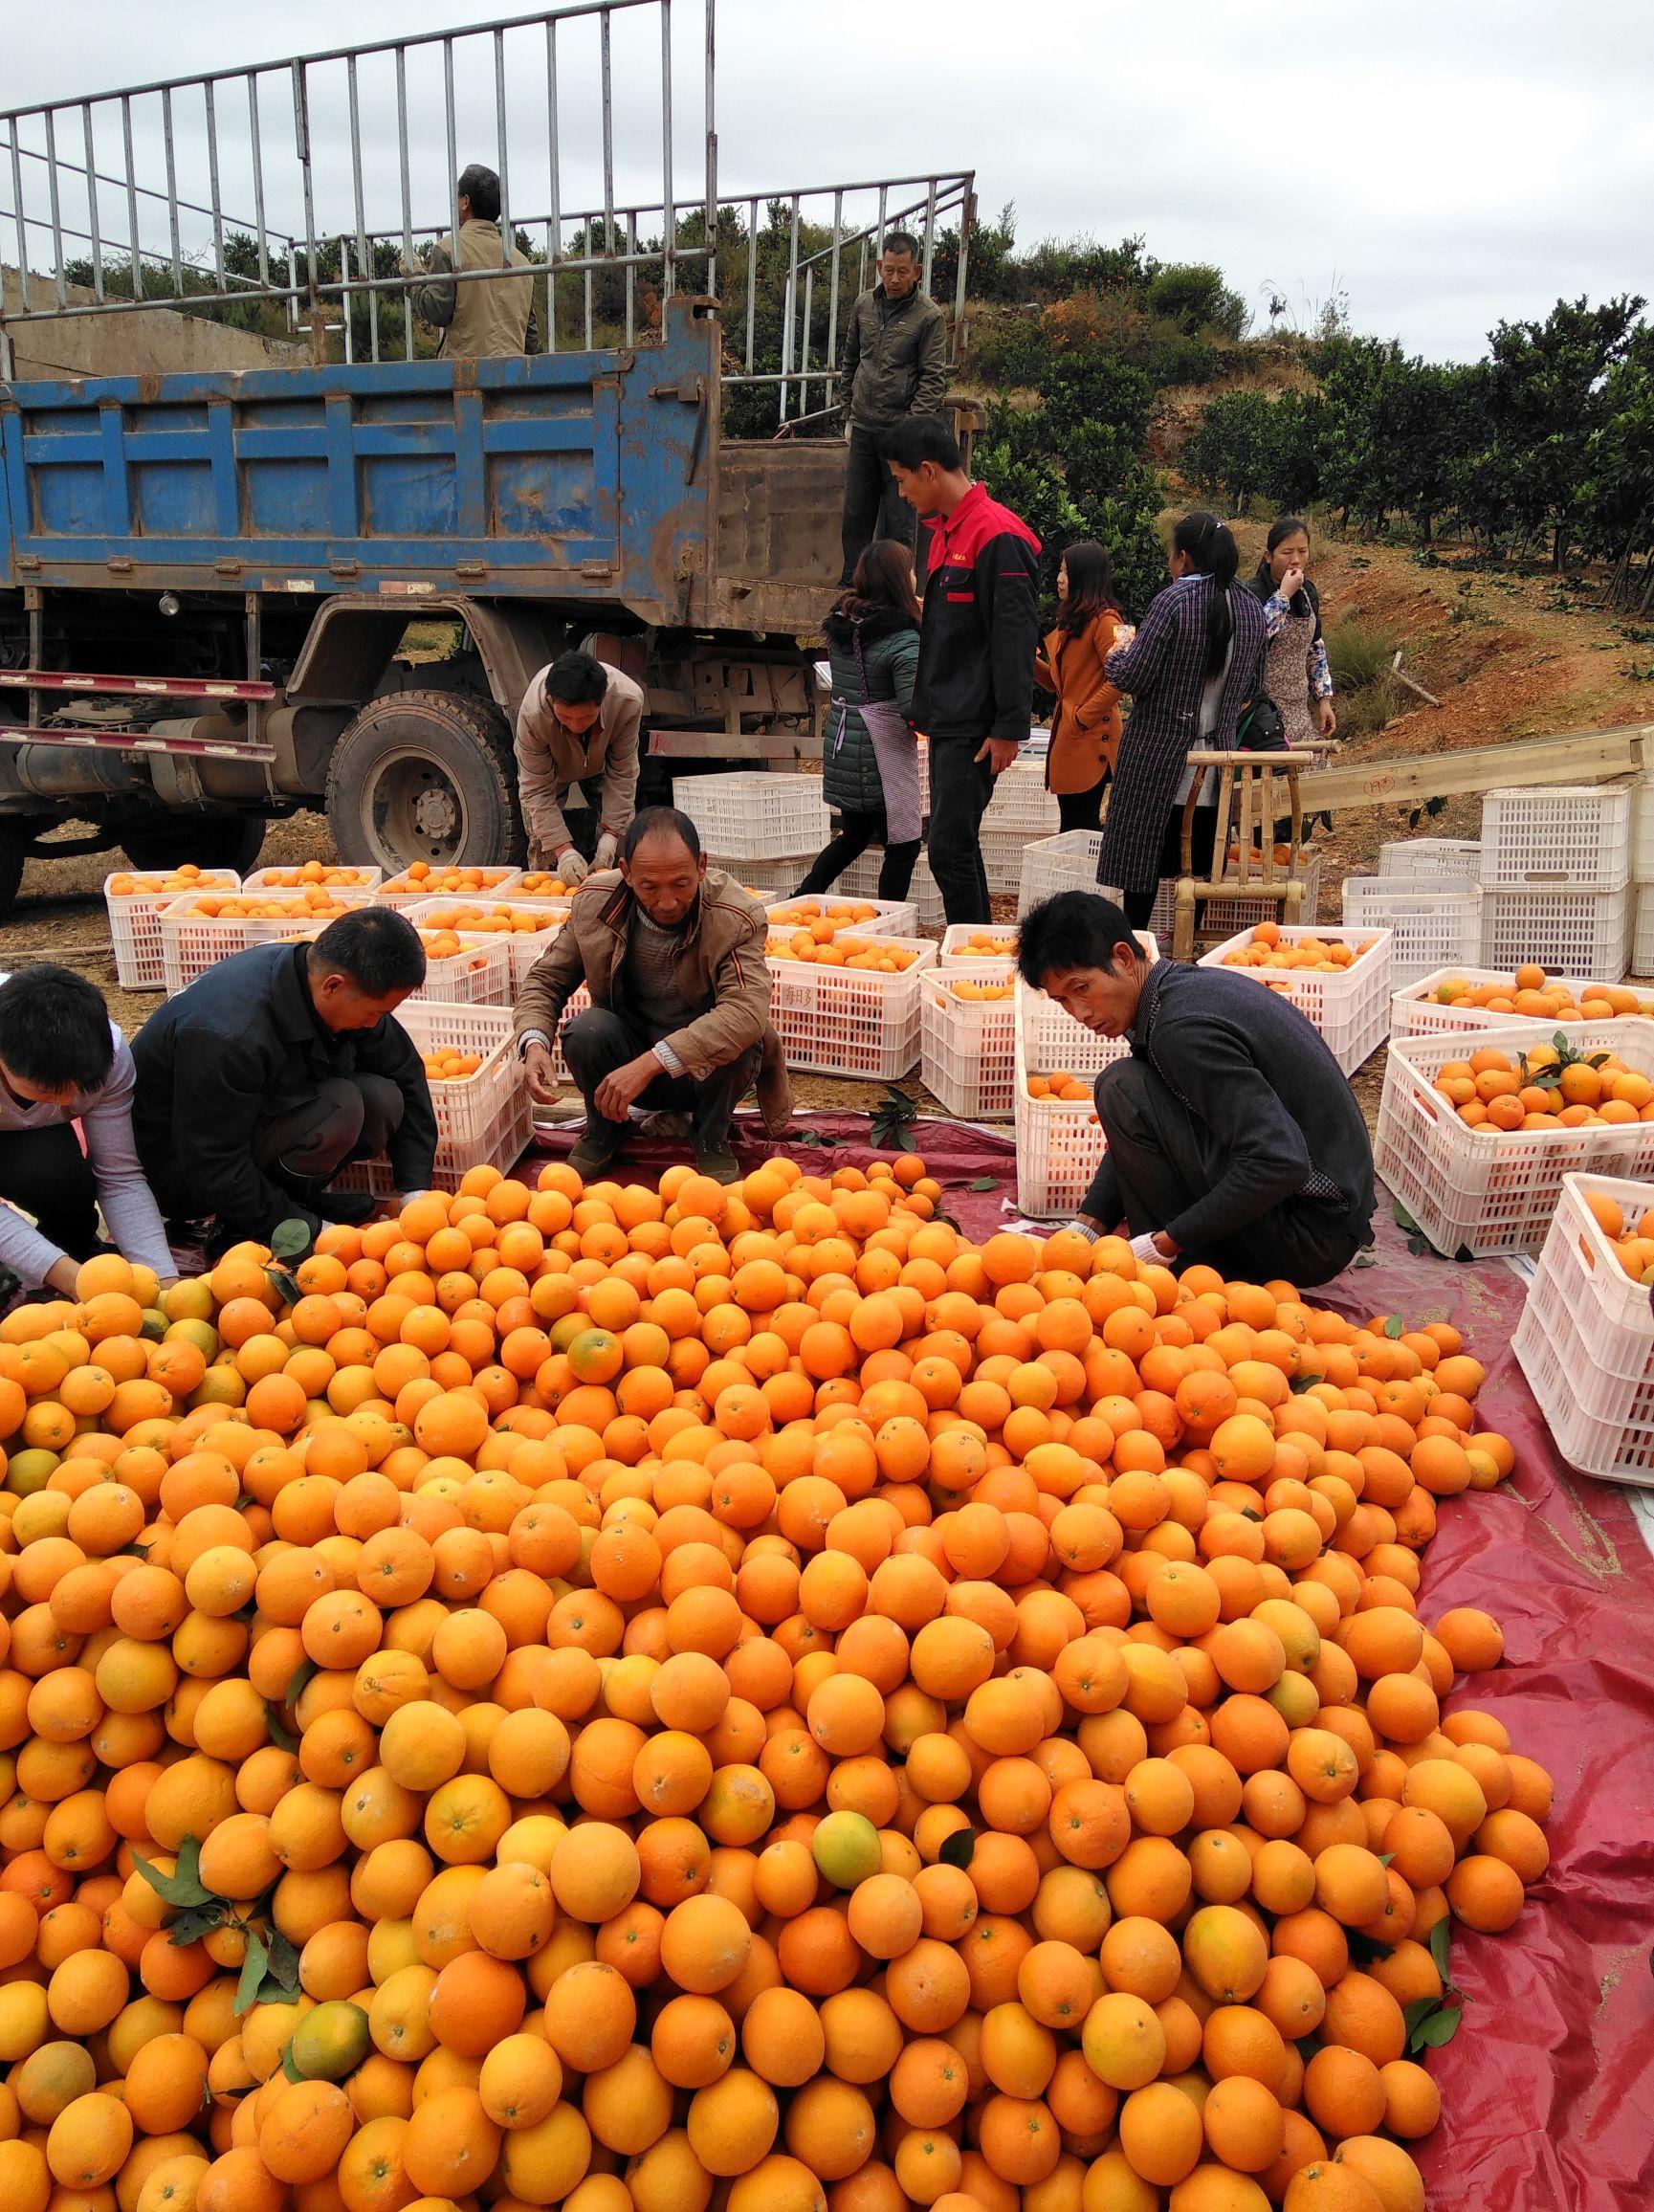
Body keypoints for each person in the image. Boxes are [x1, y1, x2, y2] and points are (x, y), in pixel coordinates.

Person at [1018, 892, 1374, 1283]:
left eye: (1081, 988)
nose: (1079, 1013)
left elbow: (1280, 1162)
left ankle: (1175, 1276)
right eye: (1063, 1001)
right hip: (1323, 1220)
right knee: (1131, 1090)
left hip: (1308, 1236)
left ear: (1122, 958)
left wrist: (1163, 1245)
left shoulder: (1181, 1030)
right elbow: (1147, 1125)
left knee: (1121, 1088)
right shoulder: (1172, 997)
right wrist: (1087, 1227)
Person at [132, 909, 438, 1253]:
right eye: (374, 1013)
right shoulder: (228, 1036)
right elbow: (212, 1160)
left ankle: (295, 1204)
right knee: (342, 1106)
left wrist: (416, 1190)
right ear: (332, 986)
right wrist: (306, 1231)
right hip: (178, 1169)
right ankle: (253, 1224)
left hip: (248, 1123)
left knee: (382, 1099)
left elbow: (404, 1069)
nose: (374, 1023)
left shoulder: (323, 979)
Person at [516, 807, 791, 1185]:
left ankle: (710, 1136)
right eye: (649, 887)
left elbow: (746, 1011)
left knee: (742, 1037)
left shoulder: (734, 916)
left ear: (702, 866)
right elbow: (546, 980)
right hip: (625, 1065)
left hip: (705, 1073)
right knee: (586, 1031)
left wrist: (650, 1064)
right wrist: (533, 1042)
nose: (666, 902)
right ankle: (606, 1128)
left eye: (681, 884)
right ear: (627, 873)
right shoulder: (595, 904)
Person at [884, 415, 1042, 926]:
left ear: (928, 470)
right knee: (957, 843)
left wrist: (1007, 728)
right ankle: (976, 947)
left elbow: (1014, 640)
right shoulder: (946, 532)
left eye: (902, 479)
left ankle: (970, 951)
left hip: (976, 721)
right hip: (949, 715)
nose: (902, 492)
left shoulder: (997, 535)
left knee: (949, 849)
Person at [1095, 511, 1268, 931]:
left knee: (1144, 867)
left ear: (1185, 558)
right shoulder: (1250, 608)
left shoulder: (1173, 601)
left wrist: (1117, 651)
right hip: (1215, 767)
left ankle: (1137, 951)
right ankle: (1185, 952)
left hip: (1159, 760)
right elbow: (1255, 684)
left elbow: (1132, 675)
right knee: (1200, 869)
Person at [0, 965, 176, 1299]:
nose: (69, 1104)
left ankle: (64, 1249)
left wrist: (163, 1283)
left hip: (31, 1143)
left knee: (57, 1175)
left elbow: (119, 1175)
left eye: (83, 1089)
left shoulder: (109, 1050)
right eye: (49, 1092)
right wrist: (70, 1277)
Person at [795, 541, 923, 901]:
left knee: (854, 835)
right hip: (880, 754)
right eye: (911, 570)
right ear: (899, 579)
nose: (915, 577)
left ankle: (803, 896)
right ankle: (886, 919)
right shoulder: (902, 637)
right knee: (903, 844)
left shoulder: (844, 623)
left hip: (843, 739)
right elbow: (911, 705)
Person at [838, 231, 949, 584]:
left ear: (916, 270)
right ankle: (850, 582)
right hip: (864, 427)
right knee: (856, 513)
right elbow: (850, 360)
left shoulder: (929, 317)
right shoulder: (863, 305)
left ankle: (898, 587)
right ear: (879, 267)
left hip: (899, 434)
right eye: (889, 270)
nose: (896, 278)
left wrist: (910, 432)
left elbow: (933, 379)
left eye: (903, 271)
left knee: (900, 517)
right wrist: (847, 412)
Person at [515, 651, 646, 882]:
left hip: (601, 762)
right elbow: (536, 789)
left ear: (602, 701)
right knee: (543, 845)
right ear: (552, 701)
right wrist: (562, 850)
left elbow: (623, 773)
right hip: (552, 769)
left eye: (586, 718)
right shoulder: (533, 714)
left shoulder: (627, 701)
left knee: (619, 843)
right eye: (566, 717)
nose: (576, 726)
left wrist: (610, 836)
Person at [1034, 541, 1125, 833]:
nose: (1059, 579)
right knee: (1073, 825)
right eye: (1060, 571)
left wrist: (1083, 716)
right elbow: (1058, 685)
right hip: (1071, 738)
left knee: (1080, 827)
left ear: (1084, 578)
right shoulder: (1075, 621)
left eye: (1066, 573)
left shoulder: (1105, 622)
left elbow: (1122, 677)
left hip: (1089, 738)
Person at [409, 163, 539, 359]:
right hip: (513, 378)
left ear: (465, 201)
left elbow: (437, 311)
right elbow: (530, 336)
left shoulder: (448, 250)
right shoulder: (522, 262)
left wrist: (414, 278)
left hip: (464, 375)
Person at [1246, 516, 1338, 748]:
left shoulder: (1308, 592)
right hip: (1261, 714)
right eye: (1287, 552)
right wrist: (1283, 596)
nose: (1296, 560)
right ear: (1268, 556)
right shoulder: (1251, 594)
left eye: (1302, 551)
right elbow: (1252, 641)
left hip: (1299, 710)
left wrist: (1324, 700)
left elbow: (1315, 648)